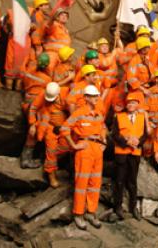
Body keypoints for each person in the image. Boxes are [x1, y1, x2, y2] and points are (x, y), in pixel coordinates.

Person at [61, 85, 107, 230]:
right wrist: (74, 146)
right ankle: (78, 214)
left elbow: (103, 128)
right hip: (84, 148)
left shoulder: (98, 113)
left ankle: (91, 212)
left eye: (97, 96)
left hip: (97, 149)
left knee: (95, 183)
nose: (96, 98)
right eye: (93, 96)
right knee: (82, 183)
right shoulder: (80, 113)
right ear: (86, 97)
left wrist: (104, 141)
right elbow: (64, 128)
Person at [111, 92, 150, 220]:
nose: (130, 105)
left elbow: (145, 134)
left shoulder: (141, 117)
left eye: (133, 103)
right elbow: (115, 135)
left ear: (138, 104)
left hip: (135, 153)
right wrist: (126, 142)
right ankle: (118, 207)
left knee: (132, 182)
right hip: (121, 153)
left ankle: (133, 208)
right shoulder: (119, 116)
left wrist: (139, 142)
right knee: (119, 181)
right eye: (128, 103)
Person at [34, 82, 69, 188]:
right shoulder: (45, 104)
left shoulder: (66, 94)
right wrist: (39, 133)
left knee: (66, 147)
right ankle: (51, 175)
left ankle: (49, 160)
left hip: (64, 128)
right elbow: (43, 121)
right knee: (51, 151)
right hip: (51, 129)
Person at [21, 54, 52, 168]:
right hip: (36, 104)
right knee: (33, 131)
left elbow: (23, 82)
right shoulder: (46, 79)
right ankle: (26, 160)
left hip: (26, 100)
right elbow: (51, 88)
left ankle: (28, 157)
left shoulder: (29, 71)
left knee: (32, 129)